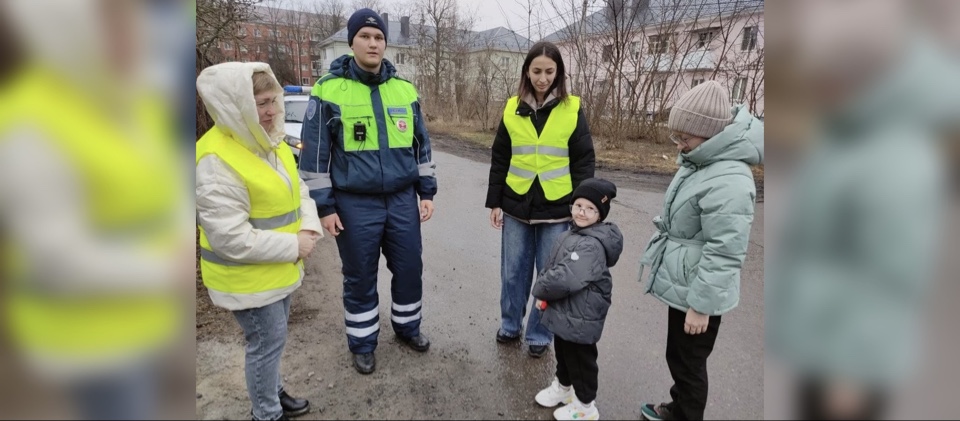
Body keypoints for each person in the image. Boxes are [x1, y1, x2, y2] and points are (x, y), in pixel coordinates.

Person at [298, 8, 438, 375]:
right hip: (354, 202)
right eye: (365, 36)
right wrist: (325, 208)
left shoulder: (404, 90)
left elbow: (421, 146)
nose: (373, 43)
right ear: (352, 41)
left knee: (409, 268)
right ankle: (363, 342)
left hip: (402, 199)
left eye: (379, 38)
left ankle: (408, 329)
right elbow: (314, 157)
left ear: (386, 44)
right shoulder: (328, 90)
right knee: (360, 274)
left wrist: (427, 191)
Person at [196, 62, 322, 421]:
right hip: (247, 278)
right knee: (265, 345)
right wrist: (293, 247)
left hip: (276, 269)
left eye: (272, 101)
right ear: (237, 107)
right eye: (259, 103)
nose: (269, 112)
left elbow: (298, 189)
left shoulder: (270, 141)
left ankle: (273, 392)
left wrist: (309, 229)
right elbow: (229, 238)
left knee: (273, 343)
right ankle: (266, 413)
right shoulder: (215, 159)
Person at [637, 80, 763, 421]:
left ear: (709, 133)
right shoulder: (701, 160)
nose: (679, 144)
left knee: (690, 365)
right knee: (678, 357)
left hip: (699, 292)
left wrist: (701, 307)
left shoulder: (730, 178)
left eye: (685, 138)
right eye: (676, 136)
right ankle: (678, 409)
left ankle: (686, 414)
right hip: (687, 283)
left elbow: (725, 251)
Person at [485, 40, 595, 358]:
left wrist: (583, 207)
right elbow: (500, 158)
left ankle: (538, 334)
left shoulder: (572, 108)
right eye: (537, 71)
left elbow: (584, 162)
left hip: (558, 208)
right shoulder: (511, 107)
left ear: (558, 73)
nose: (543, 78)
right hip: (516, 204)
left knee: (550, 277)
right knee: (512, 272)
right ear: (527, 72)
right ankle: (510, 325)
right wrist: (495, 202)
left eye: (549, 71)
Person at [531, 178, 623, 421]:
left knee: (581, 361)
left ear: (600, 215)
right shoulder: (573, 233)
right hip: (567, 312)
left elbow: (566, 278)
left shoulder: (592, 245)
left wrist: (541, 288)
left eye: (590, 208)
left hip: (582, 317)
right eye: (578, 205)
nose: (582, 212)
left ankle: (585, 405)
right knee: (563, 351)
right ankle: (563, 388)